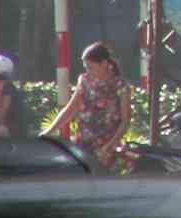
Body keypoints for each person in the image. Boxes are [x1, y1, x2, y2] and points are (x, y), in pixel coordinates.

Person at [44, 41, 133, 171]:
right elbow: (70, 109)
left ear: (104, 64)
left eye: (91, 67)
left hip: (107, 147)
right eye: (86, 67)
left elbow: (125, 122)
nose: (88, 71)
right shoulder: (84, 80)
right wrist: (48, 132)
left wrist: (109, 146)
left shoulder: (120, 86)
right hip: (83, 143)